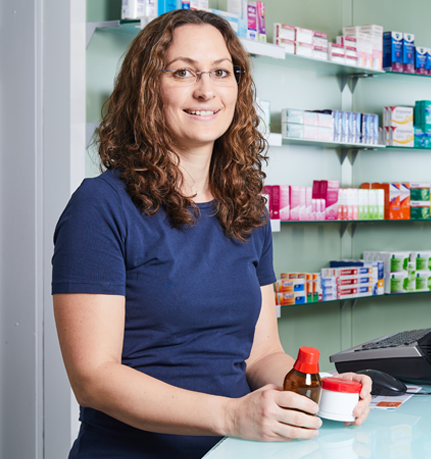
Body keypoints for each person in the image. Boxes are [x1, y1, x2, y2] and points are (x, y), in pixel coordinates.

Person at [52, 9, 371, 458]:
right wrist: (230, 414)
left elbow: (262, 355)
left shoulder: (247, 207)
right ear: (147, 89)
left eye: (221, 72)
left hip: (235, 450)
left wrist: (323, 388)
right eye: (183, 72)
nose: (206, 90)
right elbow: (94, 378)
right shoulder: (101, 207)